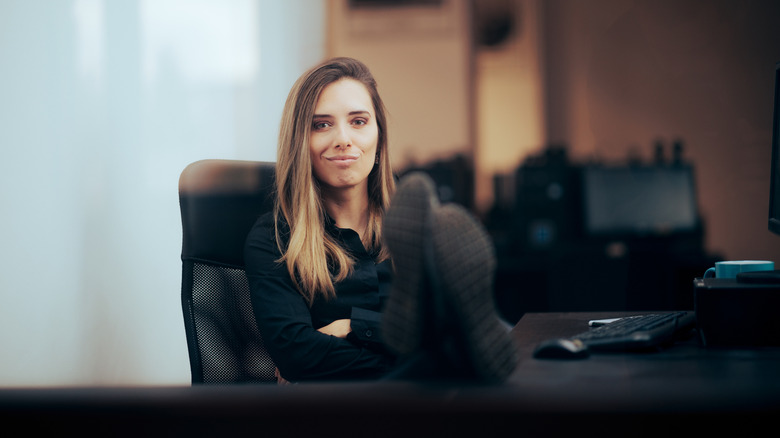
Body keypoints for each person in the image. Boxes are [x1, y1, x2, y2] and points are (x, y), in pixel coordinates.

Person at [245, 57, 518, 384]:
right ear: (299, 140)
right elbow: (298, 356)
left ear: (379, 135)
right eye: (321, 125)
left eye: (358, 121)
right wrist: (413, 353)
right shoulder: (275, 238)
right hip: (334, 414)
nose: (343, 139)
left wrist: (355, 326)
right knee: (446, 355)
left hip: (429, 410)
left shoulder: (413, 225)